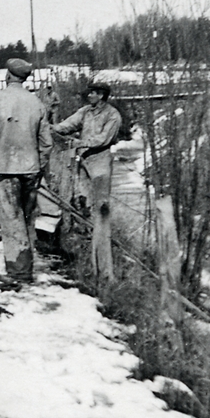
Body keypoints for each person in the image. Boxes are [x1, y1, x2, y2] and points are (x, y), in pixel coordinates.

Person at [0, 58, 54, 282]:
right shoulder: (37, 102)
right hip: (31, 168)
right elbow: (47, 142)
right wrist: (39, 165)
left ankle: (18, 272)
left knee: (11, 218)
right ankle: (28, 264)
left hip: (6, 167)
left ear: (8, 76)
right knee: (27, 216)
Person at [51, 81, 122, 284]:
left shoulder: (112, 115)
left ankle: (101, 254)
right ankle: (85, 238)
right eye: (89, 92)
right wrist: (52, 128)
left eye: (93, 93)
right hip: (84, 161)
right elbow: (69, 125)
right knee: (83, 200)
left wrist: (80, 142)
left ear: (102, 95)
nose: (89, 96)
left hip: (100, 163)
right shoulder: (85, 111)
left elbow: (103, 139)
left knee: (100, 206)